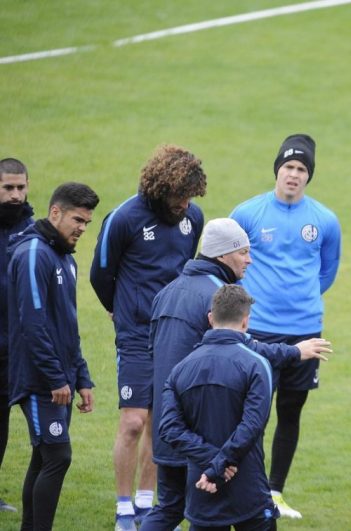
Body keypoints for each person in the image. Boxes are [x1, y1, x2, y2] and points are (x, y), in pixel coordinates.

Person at [141, 218, 332, 530]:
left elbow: (152, 351)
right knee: (237, 513)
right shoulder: (221, 294)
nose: (249, 259)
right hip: (206, 431)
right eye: (243, 252)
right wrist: (295, 351)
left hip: (169, 427)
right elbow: (245, 350)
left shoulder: (167, 291)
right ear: (223, 255)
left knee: (169, 508)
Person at [90, 145, 207, 530]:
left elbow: (187, 268)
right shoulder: (124, 217)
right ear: (160, 187)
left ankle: (146, 504)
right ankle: (123, 507)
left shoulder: (193, 218)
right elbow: (100, 273)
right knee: (134, 422)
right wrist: (119, 310)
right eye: (179, 195)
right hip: (137, 333)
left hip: (174, 333)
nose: (185, 204)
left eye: (190, 196)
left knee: (162, 421)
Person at [230, 133, 341, 519]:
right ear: (277, 169)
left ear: (309, 175)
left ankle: (274, 493)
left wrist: (300, 300)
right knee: (252, 412)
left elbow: (327, 273)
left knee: (290, 411)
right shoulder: (247, 213)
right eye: (288, 167)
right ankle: (248, 489)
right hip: (258, 329)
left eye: (301, 169)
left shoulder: (325, 219)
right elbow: (231, 267)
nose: (294, 174)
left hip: (306, 331)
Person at [7, 182, 100, 530]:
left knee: (44, 456)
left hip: (59, 379)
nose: (81, 228)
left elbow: (68, 326)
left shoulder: (64, 257)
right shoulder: (34, 254)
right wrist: (55, 378)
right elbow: (32, 323)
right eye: (77, 219)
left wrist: (82, 377)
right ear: (55, 212)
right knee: (58, 456)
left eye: (87, 223)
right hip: (39, 380)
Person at [159, 285, 279, 530]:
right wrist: (219, 466)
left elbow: (169, 428)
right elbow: (252, 426)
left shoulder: (180, 369)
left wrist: (213, 464)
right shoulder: (257, 365)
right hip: (248, 491)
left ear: (210, 319)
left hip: (203, 491)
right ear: (245, 322)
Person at [0, 158, 34, 513]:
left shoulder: (30, 229)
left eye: (21, 187)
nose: (15, 195)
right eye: (8, 188)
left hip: (19, 348)